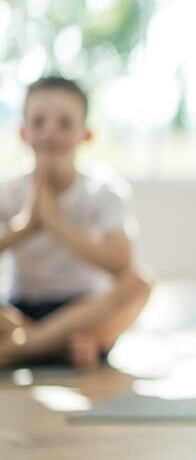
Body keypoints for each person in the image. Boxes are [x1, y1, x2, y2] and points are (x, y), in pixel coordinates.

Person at [0, 76, 152, 370]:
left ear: (86, 134)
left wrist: (56, 225)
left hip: (83, 308)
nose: (50, 132)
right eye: (39, 122)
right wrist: (24, 227)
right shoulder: (8, 190)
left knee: (139, 284)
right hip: (17, 310)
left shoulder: (104, 189)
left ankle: (21, 348)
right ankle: (58, 346)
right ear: (23, 131)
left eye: (64, 123)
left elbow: (122, 264)